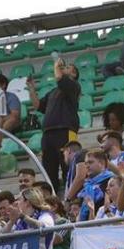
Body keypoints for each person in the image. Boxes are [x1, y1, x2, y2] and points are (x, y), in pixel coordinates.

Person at [28, 58, 82, 191]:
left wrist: (57, 65)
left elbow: (58, 76)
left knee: (68, 166)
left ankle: (72, 195)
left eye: (68, 67)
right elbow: (38, 105)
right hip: (48, 133)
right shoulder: (53, 91)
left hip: (65, 131)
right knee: (49, 169)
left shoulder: (73, 86)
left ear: (74, 74)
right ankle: (53, 198)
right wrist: (31, 89)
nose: (64, 68)